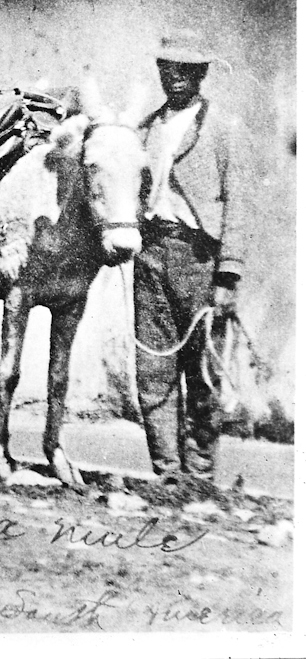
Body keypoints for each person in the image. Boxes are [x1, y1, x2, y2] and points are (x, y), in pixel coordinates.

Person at [134, 30, 247, 478]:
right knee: (153, 365)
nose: (174, 78)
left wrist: (228, 274)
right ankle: (167, 471)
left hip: (201, 258)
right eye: (167, 68)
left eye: (185, 70)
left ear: (200, 74)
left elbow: (238, 200)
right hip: (152, 255)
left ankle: (199, 470)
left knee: (202, 369)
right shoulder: (145, 128)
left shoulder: (220, 129)